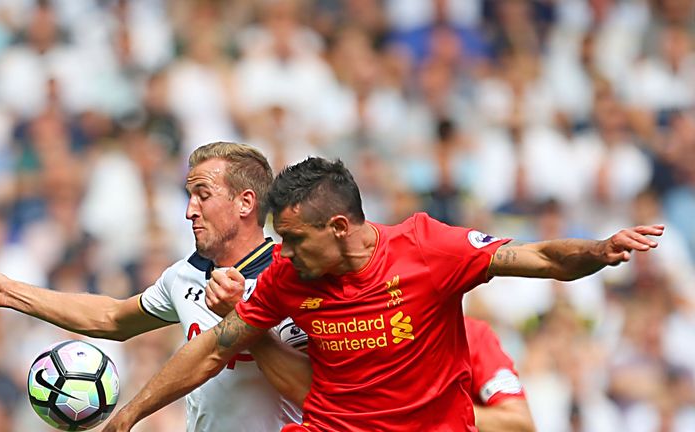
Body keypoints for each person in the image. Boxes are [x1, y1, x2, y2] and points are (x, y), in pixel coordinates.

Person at [99, 157, 663, 432]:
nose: (282, 253)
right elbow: (218, 343)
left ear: (340, 227)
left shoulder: (426, 248)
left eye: (293, 239)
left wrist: (599, 249)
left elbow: (536, 256)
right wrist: (129, 417)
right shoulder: (289, 277)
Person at [0, 142, 308, 431]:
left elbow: (313, 391)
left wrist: (244, 319)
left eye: (203, 195)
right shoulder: (184, 275)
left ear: (245, 202)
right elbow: (112, 318)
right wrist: (10, 292)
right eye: (189, 195)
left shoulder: (296, 278)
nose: (189, 211)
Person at [206, 270, 536, 432]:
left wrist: (421, 411)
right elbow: (317, 398)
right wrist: (248, 325)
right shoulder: (353, 332)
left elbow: (518, 423)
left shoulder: (472, 335)